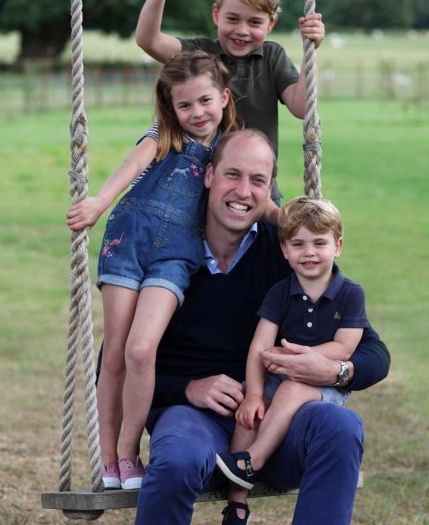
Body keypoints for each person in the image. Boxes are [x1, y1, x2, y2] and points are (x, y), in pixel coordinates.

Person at [131, 130, 390, 525]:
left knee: (340, 425)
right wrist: (188, 388)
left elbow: (373, 352)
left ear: (270, 189)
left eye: (258, 180)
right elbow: (117, 365)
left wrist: (338, 371)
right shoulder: (169, 252)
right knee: (178, 455)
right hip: (196, 420)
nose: (244, 191)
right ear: (209, 175)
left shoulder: (286, 251)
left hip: (280, 422)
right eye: (233, 175)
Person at [66, 51, 246, 491]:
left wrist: (291, 220)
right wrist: (98, 202)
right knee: (115, 352)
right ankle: (109, 459)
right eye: (185, 105)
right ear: (172, 107)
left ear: (223, 97)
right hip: (128, 240)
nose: (196, 113)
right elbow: (131, 166)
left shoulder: (229, 146)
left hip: (177, 254)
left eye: (204, 101)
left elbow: (248, 193)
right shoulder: (164, 133)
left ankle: (130, 451)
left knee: (141, 350)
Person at [215, 196, 371, 518]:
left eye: (319, 243)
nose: (309, 252)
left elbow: (344, 348)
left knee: (291, 389)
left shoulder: (350, 294)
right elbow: (259, 348)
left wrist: (293, 357)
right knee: (249, 413)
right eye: (298, 244)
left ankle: (253, 461)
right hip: (276, 377)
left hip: (322, 382)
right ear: (285, 250)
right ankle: (237, 502)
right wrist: (255, 395)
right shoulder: (280, 292)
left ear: (337, 246)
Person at [135, 0, 325, 202]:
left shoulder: (272, 57)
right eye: (233, 19)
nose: (242, 30)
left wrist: (309, 52)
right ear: (216, 14)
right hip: (202, 194)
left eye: (255, 22)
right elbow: (149, 40)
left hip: (259, 192)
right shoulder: (200, 54)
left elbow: (302, 107)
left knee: (270, 239)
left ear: (271, 24)